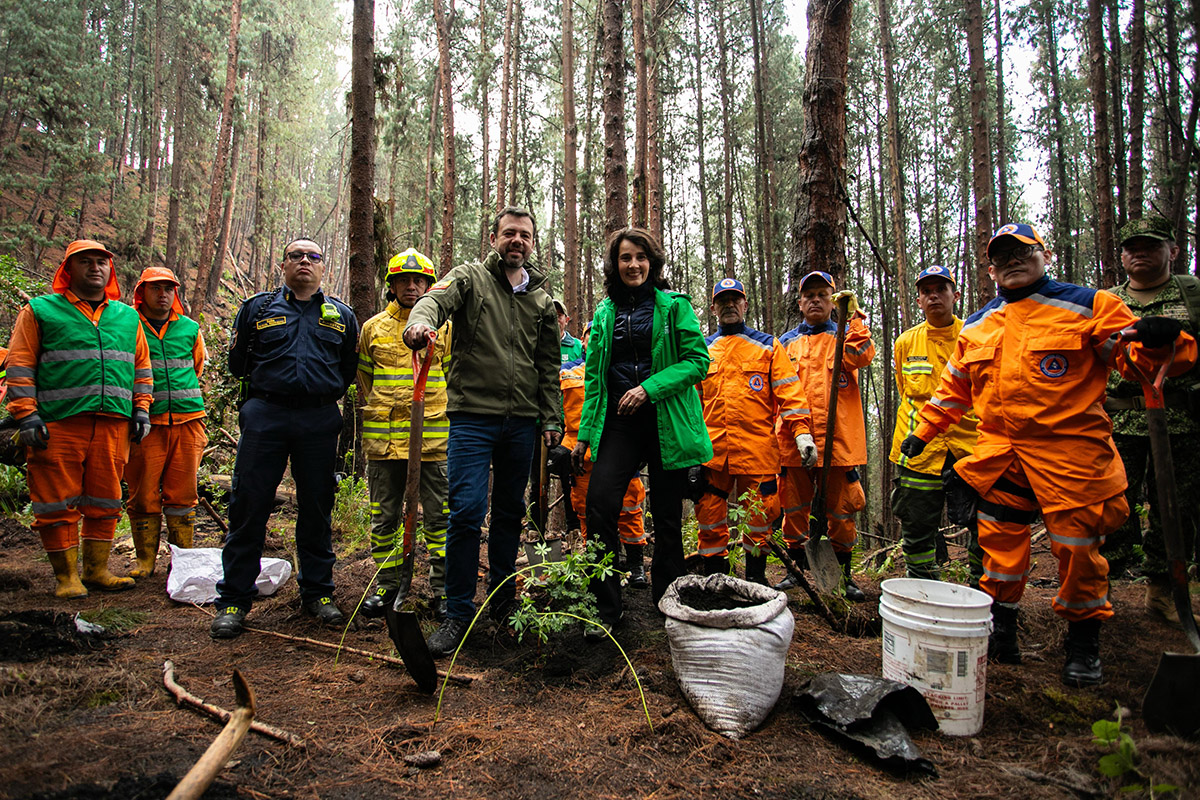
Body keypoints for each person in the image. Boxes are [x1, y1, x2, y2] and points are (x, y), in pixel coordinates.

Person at [901, 222, 1195, 687]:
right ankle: (1003, 632)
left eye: (1022, 252)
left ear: (1044, 254)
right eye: (1001, 257)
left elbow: (1139, 359)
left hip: (1070, 452)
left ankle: (1083, 644)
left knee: (1077, 548)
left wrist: (1158, 340)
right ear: (990, 269)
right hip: (1001, 454)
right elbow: (953, 389)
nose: (1011, 262)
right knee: (999, 548)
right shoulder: (978, 324)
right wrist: (925, 431)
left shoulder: (1087, 306)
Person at [404, 208, 562, 657]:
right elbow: (433, 301)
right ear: (494, 238)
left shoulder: (540, 300)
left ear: (533, 243)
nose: (517, 240)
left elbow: (549, 365)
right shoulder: (470, 278)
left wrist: (552, 418)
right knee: (467, 511)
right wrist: (421, 324)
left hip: (523, 423)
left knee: (511, 512)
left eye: (525, 235)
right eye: (509, 233)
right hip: (473, 416)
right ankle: (457, 611)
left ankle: (502, 602)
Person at [210, 239, 358, 639]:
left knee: (317, 506)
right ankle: (234, 600)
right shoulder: (258, 309)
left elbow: (347, 369)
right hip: (266, 415)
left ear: (323, 267)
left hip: (318, 417)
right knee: (248, 505)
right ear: (284, 265)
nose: (305, 262)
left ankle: (318, 593)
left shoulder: (342, 316)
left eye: (313, 256)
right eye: (296, 256)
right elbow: (238, 362)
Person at [571, 227, 712, 640]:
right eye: (625, 258)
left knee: (667, 516)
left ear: (652, 262)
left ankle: (668, 601)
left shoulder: (674, 307)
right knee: (599, 504)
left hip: (665, 418)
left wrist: (648, 388)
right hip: (618, 421)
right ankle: (605, 607)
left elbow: (697, 361)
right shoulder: (603, 313)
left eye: (641, 257)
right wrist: (583, 435)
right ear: (614, 266)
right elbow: (595, 380)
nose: (634, 265)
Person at [5, 239, 153, 597]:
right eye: (85, 262)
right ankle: (66, 577)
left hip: (114, 425)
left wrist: (142, 409)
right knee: (55, 501)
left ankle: (97, 570)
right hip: (57, 423)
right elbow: (19, 365)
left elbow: (141, 367)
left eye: (101, 263)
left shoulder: (127, 316)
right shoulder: (40, 311)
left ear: (110, 271)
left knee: (105, 500)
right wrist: (26, 415)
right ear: (67, 270)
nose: (95, 268)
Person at [1102, 215, 1200, 624]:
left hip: (1181, 420)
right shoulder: (1107, 301)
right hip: (1119, 423)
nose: (1139, 253)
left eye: (1151, 245)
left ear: (1173, 251)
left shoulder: (1193, 294)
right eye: (1131, 248)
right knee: (1112, 506)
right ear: (1122, 256)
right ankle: (1099, 589)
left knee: (1174, 509)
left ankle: (1163, 590)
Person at [695, 277, 815, 584]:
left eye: (735, 300)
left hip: (757, 450)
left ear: (745, 305)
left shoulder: (767, 346)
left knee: (759, 517)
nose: (729, 306)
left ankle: (755, 581)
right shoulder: (701, 350)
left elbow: (790, 393)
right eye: (723, 301)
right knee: (709, 517)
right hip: (711, 451)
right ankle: (715, 581)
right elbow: (690, 405)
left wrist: (802, 434)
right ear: (713, 308)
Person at [357, 248, 451, 620]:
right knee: (384, 516)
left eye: (419, 281)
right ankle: (388, 585)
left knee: (440, 517)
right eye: (404, 280)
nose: (411, 287)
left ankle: (442, 589)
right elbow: (365, 379)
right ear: (391, 285)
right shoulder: (373, 328)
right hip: (383, 442)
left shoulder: (444, 325)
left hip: (433, 440)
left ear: (429, 284)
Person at [775, 271, 875, 601]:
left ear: (832, 301)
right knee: (794, 508)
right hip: (793, 441)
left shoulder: (845, 336)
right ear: (800, 303)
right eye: (809, 295)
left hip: (839, 442)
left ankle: (843, 576)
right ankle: (797, 572)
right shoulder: (785, 343)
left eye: (822, 294)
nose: (815, 299)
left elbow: (863, 356)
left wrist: (856, 317)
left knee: (842, 512)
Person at [888, 265, 981, 582]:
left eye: (940, 289)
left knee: (983, 521)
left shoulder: (974, 336)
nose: (933, 296)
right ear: (918, 301)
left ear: (955, 295)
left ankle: (981, 589)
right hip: (918, 451)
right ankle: (924, 584)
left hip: (969, 447)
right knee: (916, 523)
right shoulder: (905, 342)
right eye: (926, 291)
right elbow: (904, 391)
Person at [124, 267, 207, 578]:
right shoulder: (127, 325)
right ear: (141, 291)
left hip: (189, 420)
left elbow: (196, 367)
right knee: (143, 492)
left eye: (169, 289)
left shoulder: (189, 328)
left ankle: (180, 561)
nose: (163, 294)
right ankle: (145, 561)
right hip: (144, 424)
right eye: (156, 288)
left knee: (183, 495)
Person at [558, 354, 648, 584]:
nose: (591, 338)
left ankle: (635, 562)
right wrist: (558, 445)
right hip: (579, 455)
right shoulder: (566, 371)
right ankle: (599, 563)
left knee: (629, 506)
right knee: (585, 509)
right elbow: (556, 410)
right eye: (587, 335)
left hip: (618, 448)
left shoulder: (620, 367)